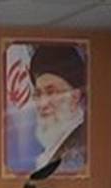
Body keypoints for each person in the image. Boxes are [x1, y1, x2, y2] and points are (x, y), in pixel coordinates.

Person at [30, 43, 87, 173]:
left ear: (75, 97)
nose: (43, 103)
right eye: (38, 94)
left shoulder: (81, 149)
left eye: (51, 92)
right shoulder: (52, 148)